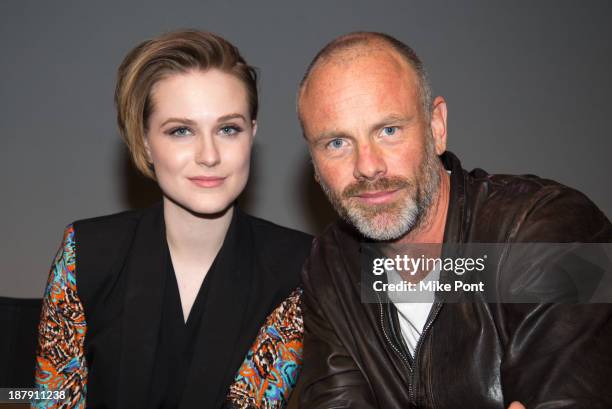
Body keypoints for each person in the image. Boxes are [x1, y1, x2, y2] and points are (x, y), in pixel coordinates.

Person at [296, 31, 612, 408]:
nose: (368, 166)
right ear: (315, 166)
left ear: (436, 127)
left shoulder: (553, 232)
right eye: (337, 143)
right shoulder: (332, 268)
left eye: (389, 130)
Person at [33, 30, 311, 409]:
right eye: (181, 131)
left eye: (228, 129)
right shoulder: (85, 253)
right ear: (145, 141)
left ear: (252, 134)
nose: (209, 155)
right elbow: (53, 398)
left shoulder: (298, 266)